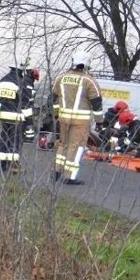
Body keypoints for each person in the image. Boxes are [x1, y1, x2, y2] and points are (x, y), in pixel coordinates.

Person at [51, 51, 104, 185]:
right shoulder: (89, 81)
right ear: (87, 64)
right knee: (77, 147)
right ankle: (69, 176)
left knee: (63, 145)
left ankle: (57, 172)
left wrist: (56, 115)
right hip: (81, 121)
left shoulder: (61, 78)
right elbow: (97, 104)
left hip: (63, 118)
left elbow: (53, 99)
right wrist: (99, 123)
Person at [0, 65, 34, 175]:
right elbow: (25, 104)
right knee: (15, 142)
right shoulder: (20, 83)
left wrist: (3, 111)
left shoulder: (3, 80)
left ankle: (1, 164)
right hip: (16, 117)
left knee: (4, 140)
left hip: (4, 115)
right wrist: (29, 122)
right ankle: (13, 166)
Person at [22, 68, 40, 141]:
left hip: (25, 105)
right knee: (28, 122)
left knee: (25, 122)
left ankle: (25, 137)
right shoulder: (28, 83)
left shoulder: (26, 81)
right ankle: (29, 138)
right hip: (26, 106)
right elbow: (29, 96)